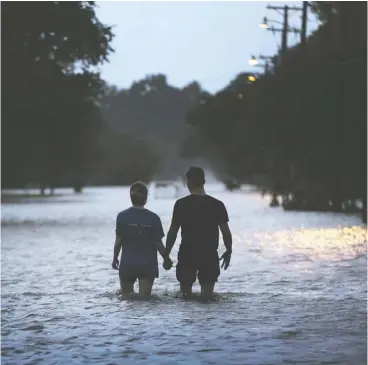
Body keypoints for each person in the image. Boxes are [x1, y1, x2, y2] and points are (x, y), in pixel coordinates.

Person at [165, 167, 232, 298]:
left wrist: (166, 254)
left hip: (187, 254)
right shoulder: (217, 205)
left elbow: (172, 232)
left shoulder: (181, 204)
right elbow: (226, 232)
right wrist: (228, 250)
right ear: (204, 182)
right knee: (208, 298)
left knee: (185, 297)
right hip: (209, 255)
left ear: (188, 182)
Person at [112, 181, 172, 297]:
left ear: (131, 197)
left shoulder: (122, 216)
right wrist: (167, 259)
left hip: (127, 264)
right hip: (147, 265)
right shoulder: (153, 218)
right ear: (145, 198)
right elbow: (158, 243)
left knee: (127, 298)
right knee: (144, 299)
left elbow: (118, 241)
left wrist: (115, 258)